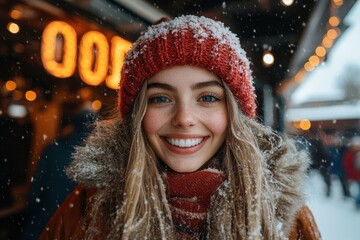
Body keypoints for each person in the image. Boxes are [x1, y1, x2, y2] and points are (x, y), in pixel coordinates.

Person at [39, 15, 320, 239]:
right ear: (137, 115)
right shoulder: (89, 207)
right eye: (161, 98)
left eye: (208, 97)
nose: (184, 118)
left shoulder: (286, 213)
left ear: (235, 115)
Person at [22, 101, 96, 239]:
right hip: (71, 231)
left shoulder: (53, 148)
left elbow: (34, 194)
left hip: (42, 224)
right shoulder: (98, 158)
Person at [343, 136, 360, 209]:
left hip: (357, 176)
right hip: (355, 177)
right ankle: (357, 203)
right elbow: (347, 166)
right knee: (357, 191)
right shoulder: (349, 154)